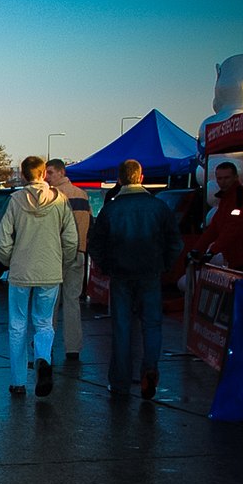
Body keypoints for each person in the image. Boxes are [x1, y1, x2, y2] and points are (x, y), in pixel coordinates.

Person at [87, 159, 182, 400]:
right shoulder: (158, 207)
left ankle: (120, 381)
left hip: (121, 274)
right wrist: (164, 265)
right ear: (141, 177)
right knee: (152, 325)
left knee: (122, 327)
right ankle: (150, 368)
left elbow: (95, 244)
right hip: (150, 273)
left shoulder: (111, 209)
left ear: (120, 180)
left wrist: (107, 266)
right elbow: (175, 242)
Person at [0, 156, 76, 397]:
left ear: (23, 175)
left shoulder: (15, 200)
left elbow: (3, 239)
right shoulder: (60, 200)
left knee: (17, 325)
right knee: (44, 322)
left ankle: (18, 381)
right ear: (43, 174)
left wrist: (10, 261)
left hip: (21, 271)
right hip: (50, 271)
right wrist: (62, 262)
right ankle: (43, 358)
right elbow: (71, 239)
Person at [44, 159, 91, 360]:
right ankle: (73, 348)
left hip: (56, 254)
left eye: (50, 172)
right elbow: (89, 223)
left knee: (51, 302)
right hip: (78, 253)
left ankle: (46, 345)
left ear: (61, 172)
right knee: (72, 301)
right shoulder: (82, 195)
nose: (46, 177)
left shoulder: (52, 196)